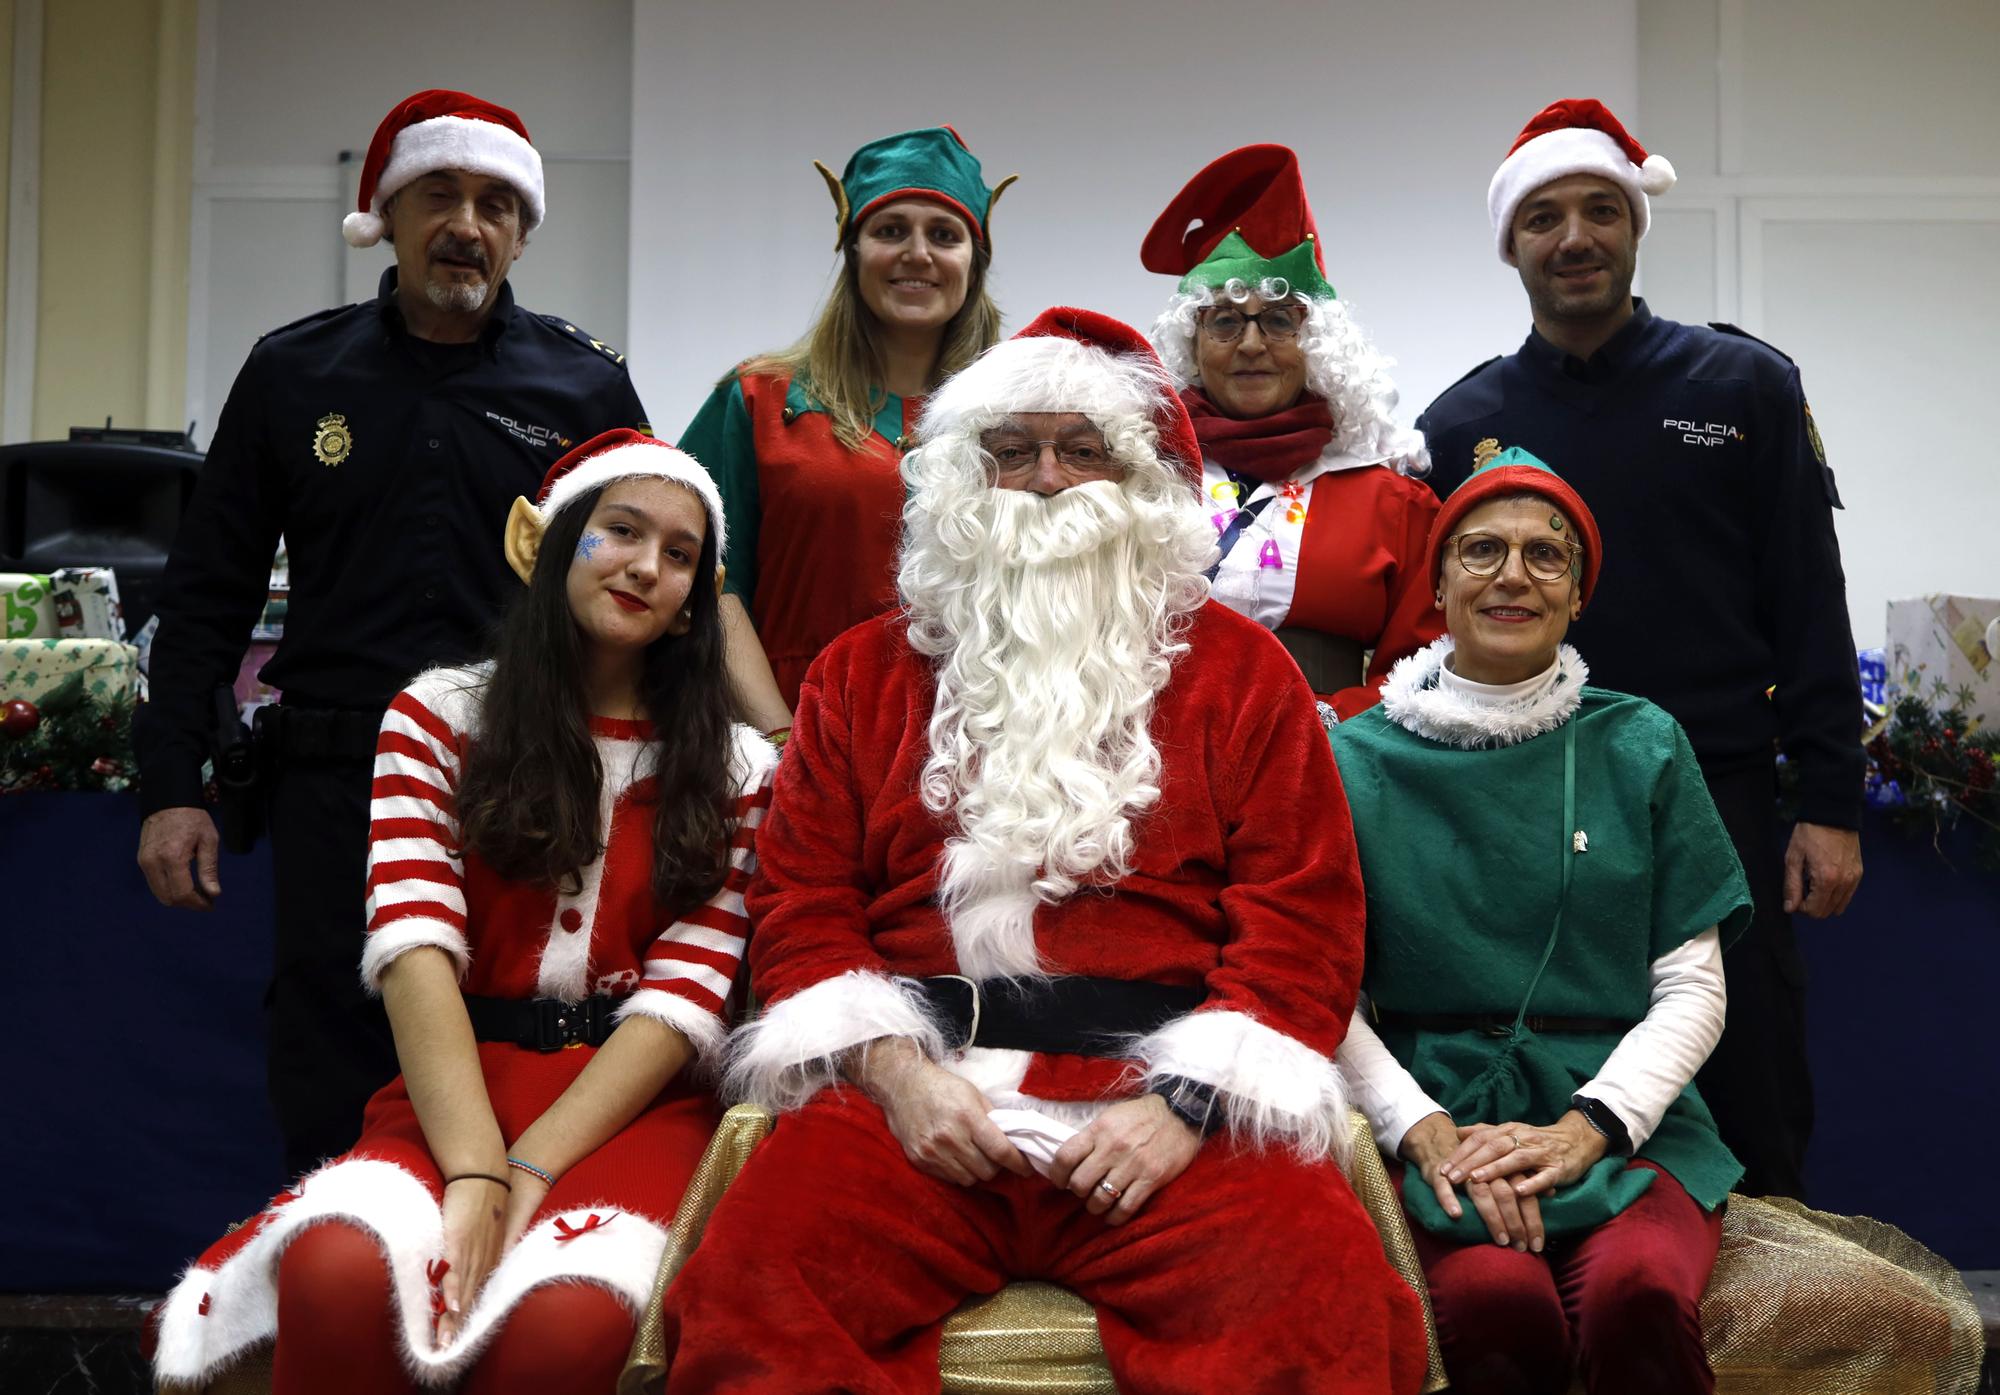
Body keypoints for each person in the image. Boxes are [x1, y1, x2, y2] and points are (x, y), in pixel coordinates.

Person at [659, 309, 1428, 1395]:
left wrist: (1185, 1106)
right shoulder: (856, 674)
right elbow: (802, 902)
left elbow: (1301, 921)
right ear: (959, 483)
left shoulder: (1244, 674)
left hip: (1163, 1107)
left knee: (1322, 1313)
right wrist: (893, 1074)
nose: (1045, 480)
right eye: (1009, 451)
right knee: (750, 1303)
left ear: (1145, 484)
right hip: (914, 1102)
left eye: (1081, 449)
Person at [150, 431, 777, 1394]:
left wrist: (526, 1170)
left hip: (633, 1107)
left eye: (681, 554)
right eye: (620, 531)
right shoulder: (439, 714)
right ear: (550, 542)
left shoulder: (739, 768)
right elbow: (413, 946)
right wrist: (478, 1164)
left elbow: (684, 1000)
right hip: (454, 1086)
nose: (647, 566)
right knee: (336, 1270)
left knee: (566, 1322)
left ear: (698, 596)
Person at [135, 89, 650, 1177]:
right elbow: (207, 594)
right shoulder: (292, 373)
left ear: (521, 231)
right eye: (441, 195)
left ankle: (484, 1289)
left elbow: (640, 590)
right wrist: (173, 783)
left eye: (496, 203)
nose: (468, 223)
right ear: (388, 212)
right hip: (338, 781)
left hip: (523, 775)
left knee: (509, 1030)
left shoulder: (584, 382)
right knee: (333, 1042)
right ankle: (335, 1288)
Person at [1416, 98, 1863, 1200]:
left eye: (1599, 211)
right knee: (1557, 1035)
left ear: (1633, 226)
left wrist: (1828, 800)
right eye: (1543, 219)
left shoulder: (1742, 386)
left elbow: (1807, 594)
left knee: (1745, 1043)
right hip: (1524, 782)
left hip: (1716, 784)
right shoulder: (1456, 423)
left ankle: (1768, 1291)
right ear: (1510, 245)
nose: (1573, 237)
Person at [1330, 447, 1750, 1394]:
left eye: (1545, 554)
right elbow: (1324, 993)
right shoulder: (1349, 760)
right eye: (1480, 550)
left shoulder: (1641, 742)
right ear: (1437, 583)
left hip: (1625, 1115)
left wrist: (1588, 1127)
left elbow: (1693, 986)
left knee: (1635, 1295)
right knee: (1493, 1307)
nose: (1512, 574)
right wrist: (1421, 1128)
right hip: (1435, 1113)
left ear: (1578, 592)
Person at [679, 125, 1010, 735]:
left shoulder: (1020, 418)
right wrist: (778, 740)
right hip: (791, 727)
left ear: (975, 258)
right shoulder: (759, 399)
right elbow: (708, 587)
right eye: (890, 231)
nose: (918, 253)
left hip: (977, 741)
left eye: (944, 235)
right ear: (853, 250)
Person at [1144, 144, 1441, 721]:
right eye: (1226, 320)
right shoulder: (1142, 476)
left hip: (1335, 776)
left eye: (1279, 320)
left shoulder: (1393, 503)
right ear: (1192, 344)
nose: (1252, 344)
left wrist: (1322, 729)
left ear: (1319, 345)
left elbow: (1430, 669)